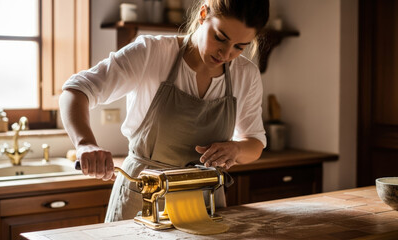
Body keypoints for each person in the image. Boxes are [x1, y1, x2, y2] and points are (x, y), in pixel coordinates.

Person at [59, 0, 269, 222]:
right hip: (144, 198)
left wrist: (236, 149)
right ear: (203, 14)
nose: (226, 54)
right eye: (220, 37)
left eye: (239, 47)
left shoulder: (246, 74)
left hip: (203, 202)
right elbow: (75, 91)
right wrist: (85, 143)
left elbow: (254, 142)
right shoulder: (151, 53)